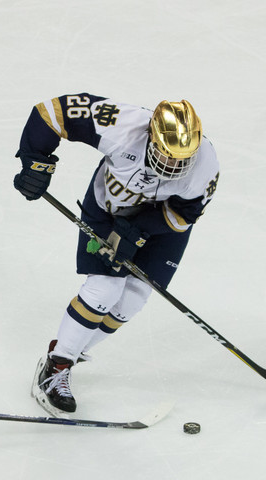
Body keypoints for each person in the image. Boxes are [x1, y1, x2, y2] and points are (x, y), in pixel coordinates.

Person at [12, 94, 220, 417]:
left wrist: (138, 231)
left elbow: (184, 214)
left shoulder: (206, 163)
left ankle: (75, 348)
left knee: (132, 299)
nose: (175, 167)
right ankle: (56, 366)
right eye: (168, 156)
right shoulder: (122, 125)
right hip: (108, 208)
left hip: (161, 225)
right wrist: (35, 162)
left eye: (183, 159)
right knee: (104, 290)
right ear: (150, 136)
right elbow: (51, 114)